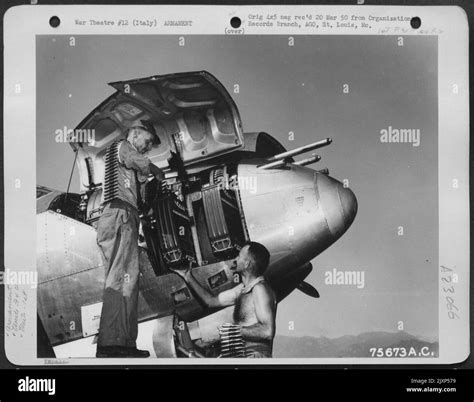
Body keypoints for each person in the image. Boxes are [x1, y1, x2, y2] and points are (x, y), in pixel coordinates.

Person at [96, 121, 165, 358]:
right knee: (120, 277)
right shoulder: (122, 146)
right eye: (147, 142)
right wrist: (155, 170)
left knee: (129, 278)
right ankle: (112, 343)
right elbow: (133, 159)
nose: (147, 148)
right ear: (136, 133)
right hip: (120, 214)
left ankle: (123, 342)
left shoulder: (128, 161)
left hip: (125, 216)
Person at [174, 242, 277, 358]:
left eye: (239, 256)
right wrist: (188, 276)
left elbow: (268, 331)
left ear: (247, 264)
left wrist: (235, 331)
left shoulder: (259, 289)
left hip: (255, 355)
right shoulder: (242, 290)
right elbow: (210, 301)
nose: (235, 259)